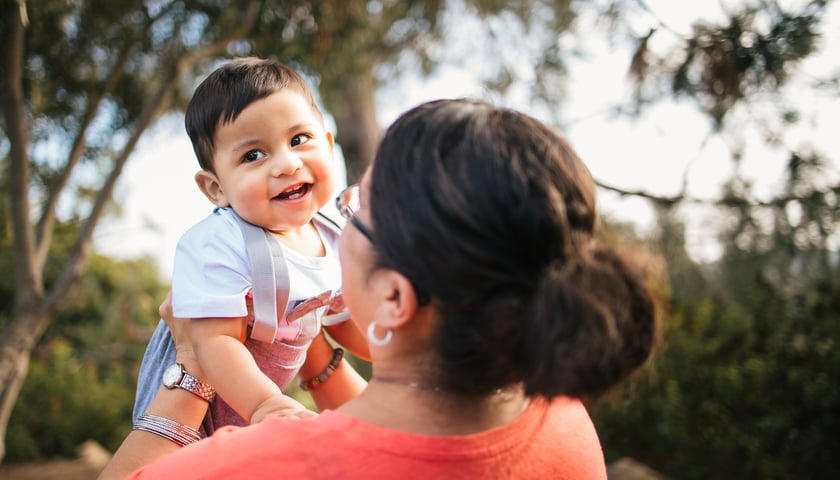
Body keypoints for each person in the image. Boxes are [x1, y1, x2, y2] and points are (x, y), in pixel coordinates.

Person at [101, 98, 664, 479]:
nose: (334, 223)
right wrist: (316, 354)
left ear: (394, 298)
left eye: (354, 209)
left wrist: (195, 365)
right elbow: (391, 433)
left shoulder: (265, 466)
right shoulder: (560, 414)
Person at [132, 57, 369, 436]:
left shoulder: (335, 235)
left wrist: (402, 353)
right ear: (216, 188)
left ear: (327, 143)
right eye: (253, 155)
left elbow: (343, 322)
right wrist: (266, 404)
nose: (287, 165)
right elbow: (215, 342)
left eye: (298, 139)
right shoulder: (220, 242)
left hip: (249, 421)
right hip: (193, 417)